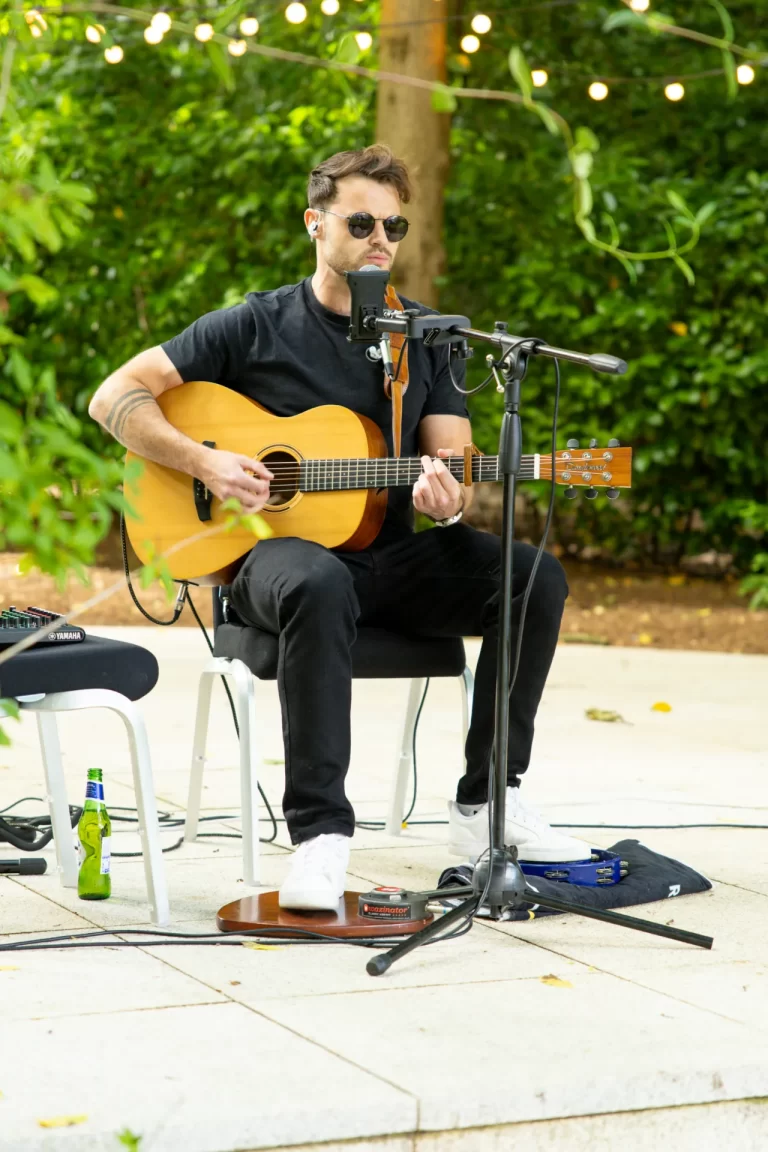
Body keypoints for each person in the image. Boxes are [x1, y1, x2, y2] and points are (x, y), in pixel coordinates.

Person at [89, 144, 589, 911]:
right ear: (315, 224)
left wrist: (446, 500)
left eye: (394, 224)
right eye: (361, 221)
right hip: (271, 562)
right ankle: (321, 836)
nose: (380, 238)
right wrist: (206, 464)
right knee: (316, 578)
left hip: (389, 556)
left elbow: (449, 462)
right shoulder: (253, 324)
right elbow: (114, 397)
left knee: (533, 574)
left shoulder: (429, 336)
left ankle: (487, 805)